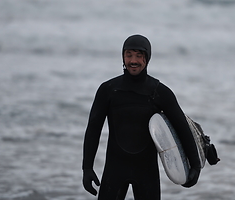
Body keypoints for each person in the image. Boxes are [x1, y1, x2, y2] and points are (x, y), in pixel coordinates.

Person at [82, 34, 201, 200]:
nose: (133, 61)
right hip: (115, 168)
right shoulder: (108, 90)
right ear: (122, 56)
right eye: (129, 55)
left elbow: (181, 127)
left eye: (139, 55)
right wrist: (87, 168)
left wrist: (195, 164)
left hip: (146, 171)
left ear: (147, 58)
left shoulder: (160, 92)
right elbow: (94, 128)